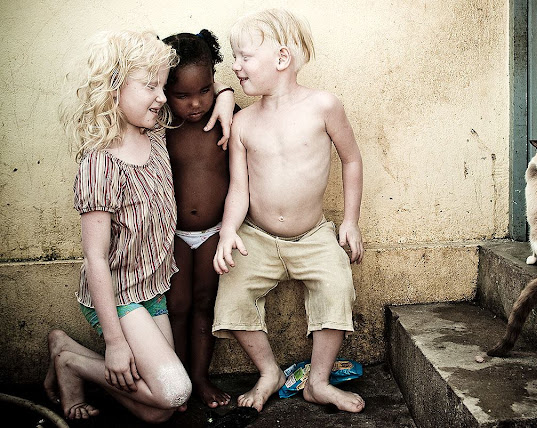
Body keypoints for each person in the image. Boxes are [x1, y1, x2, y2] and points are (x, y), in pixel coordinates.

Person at [212, 8, 365, 414]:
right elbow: (239, 190)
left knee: (337, 285)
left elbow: (351, 159)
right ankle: (269, 372)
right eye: (233, 56)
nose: (235, 65)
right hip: (257, 237)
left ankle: (318, 381)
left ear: (281, 59)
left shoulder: (324, 106)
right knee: (232, 292)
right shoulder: (243, 123)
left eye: (244, 57)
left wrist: (350, 221)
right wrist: (229, 232)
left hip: (313, 234)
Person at [45, 30, 192, 423]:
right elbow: (94, 258)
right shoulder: (101, 164)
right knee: (174, 389)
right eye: (150, 86)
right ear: (113, 88)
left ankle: (68, 353)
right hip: (119, 293)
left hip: (152, 289)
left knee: (164, 410)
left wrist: (228, 96)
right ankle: (72, 362)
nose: (162, 96)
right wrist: (114, 342)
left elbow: (202, 96)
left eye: (163, 85)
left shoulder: (155, 135)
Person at [162, 29, 238, 409]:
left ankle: (200, 378)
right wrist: (222, 92)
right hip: (172, 235)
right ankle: (175, 380)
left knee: (205, 305)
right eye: (182, 95)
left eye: (204, 91)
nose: (195, 103)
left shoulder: (227, 118)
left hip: (213, 233)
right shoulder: (159, 123)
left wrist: (225, 94)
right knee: (176, 307)